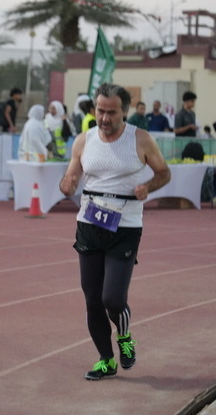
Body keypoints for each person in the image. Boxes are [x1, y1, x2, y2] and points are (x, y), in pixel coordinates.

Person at [59, 82, 170, 381]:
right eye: (100, 111)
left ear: (125, 112)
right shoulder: (83, 140)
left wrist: (148, 186)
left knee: (113, 299)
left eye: (111, 112)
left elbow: (164, 173)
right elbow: (70, 177)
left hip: (125, 228)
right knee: (92, 299)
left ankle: (124, 337)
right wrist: (67, 184)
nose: (104, 118)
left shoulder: (141, 140)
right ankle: (106, 360)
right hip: (89, 225)